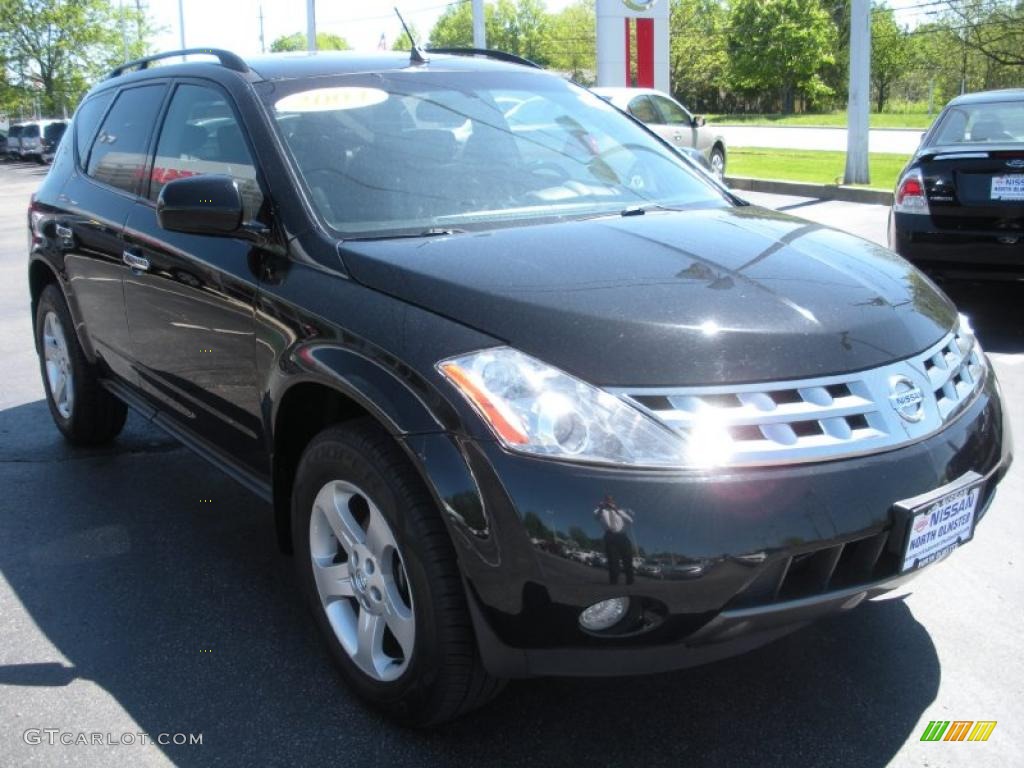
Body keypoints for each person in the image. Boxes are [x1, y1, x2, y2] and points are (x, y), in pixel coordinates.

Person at [593, 494, 635, 585]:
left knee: (627, 558)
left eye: (610, 500)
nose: (609, 501)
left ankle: (630, 581)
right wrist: (600, 508)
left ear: (613, 502)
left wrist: (616, 510)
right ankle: (613, 582)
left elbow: (630, 521)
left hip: (622, 536)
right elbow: (595, 517)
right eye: (607, 500)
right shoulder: (601, 510)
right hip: (610, 536)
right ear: (604, 501)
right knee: (612, 560)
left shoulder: (620, 511)